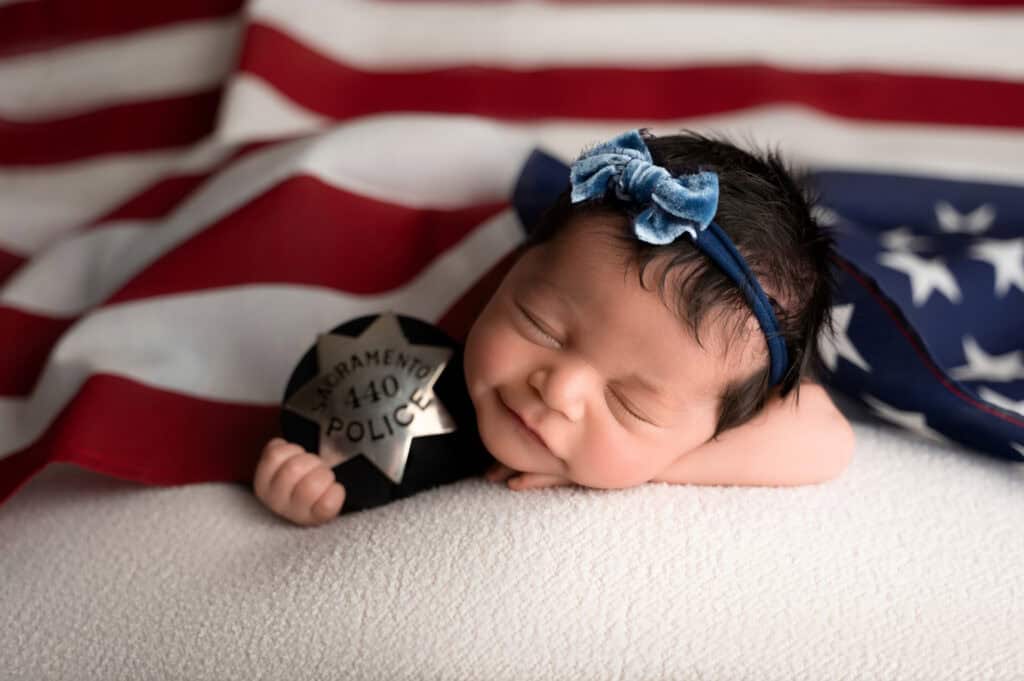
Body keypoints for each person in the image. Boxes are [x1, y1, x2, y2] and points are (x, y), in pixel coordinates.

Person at [253, 128, 855, 526]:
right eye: (539, 325)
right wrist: (306, 487)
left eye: (631, 405)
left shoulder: (728, 386)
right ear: (511, 272)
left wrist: (651, 463)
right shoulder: (447, 322)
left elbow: (827, 437)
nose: (558, 389)